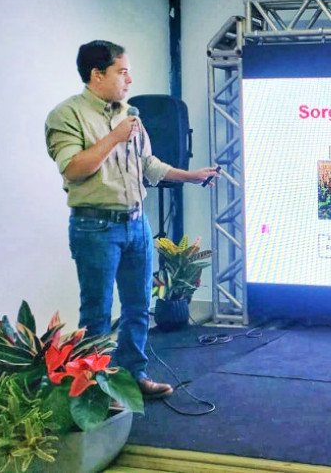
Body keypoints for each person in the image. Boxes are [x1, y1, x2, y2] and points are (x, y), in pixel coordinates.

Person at [45, 40, 218, 399]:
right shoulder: (66, 115)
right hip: (95, 227)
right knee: (96, 312)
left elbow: (148, 165)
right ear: (97, 74)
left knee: (139, 305)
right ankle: (92, 389)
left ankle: (133, 376)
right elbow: (74, 169)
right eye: (122, 71)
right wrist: (114, 136)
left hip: (136, 225)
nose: (129, 79)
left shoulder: (130, 114)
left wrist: (191, 175)